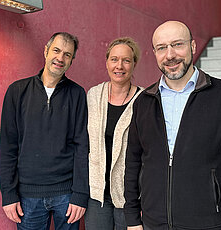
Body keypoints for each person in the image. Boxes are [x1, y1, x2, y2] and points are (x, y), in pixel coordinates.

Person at [124, 21, 221, 230]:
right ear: (154, 53)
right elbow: (133, 162)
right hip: (153, 223)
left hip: (207, 224)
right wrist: (133, 218)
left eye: (177, 44)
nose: (170, 55)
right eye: (162, 48)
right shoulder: (144, 101)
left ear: (193, 47)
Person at [0, 32, 89, 230]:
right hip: (27, 196)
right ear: (46, 51)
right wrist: (8, 194)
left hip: (67, 195)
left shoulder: (78, 94)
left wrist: (81, 195)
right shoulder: (17, 91)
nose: (60, 58)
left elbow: (82, 147)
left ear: (72, 61)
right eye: (56, 50)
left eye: (67, 54)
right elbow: (7, 146)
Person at [84, 37, 143, 230]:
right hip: (97, 194)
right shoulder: (93, 95)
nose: (120, 65)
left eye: (126, 60)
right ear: (107, 62)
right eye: (114, 59)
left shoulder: (145, 100)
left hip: (131, 196)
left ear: (134, 64)